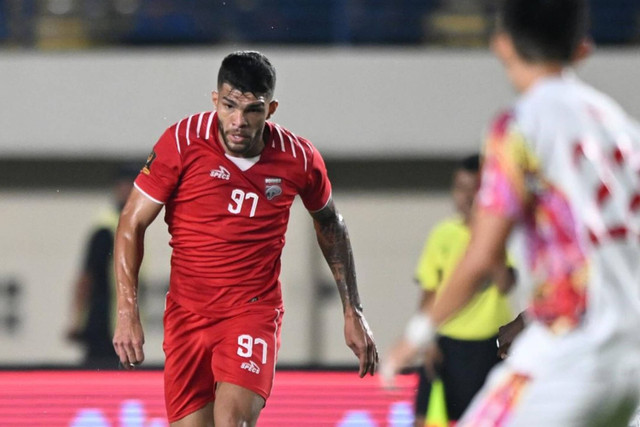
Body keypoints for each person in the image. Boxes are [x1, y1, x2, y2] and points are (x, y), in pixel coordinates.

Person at [383, 0, 640, 425]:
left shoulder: (520, 126)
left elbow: (483, 255)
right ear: (582, 48)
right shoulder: (625, 132)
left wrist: (416, 334)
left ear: (502, 45)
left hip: (571, 355)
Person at [112, 51, 378, 426]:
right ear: (215, 100)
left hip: (251, 312)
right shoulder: (183, 142)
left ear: (271, 109)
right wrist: (127, 313)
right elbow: (130, 223)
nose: (238, 121)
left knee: (232, 421)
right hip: (187, 315)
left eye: (252, 109)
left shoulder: (297, 158)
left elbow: (331, 223)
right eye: (229, 105)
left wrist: (353, 310)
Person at [385, 154, 515, 426]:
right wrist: (426, 340)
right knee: (425, 418)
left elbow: (505, 284)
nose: (467, 197)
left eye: (475, 189)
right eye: (460, 188)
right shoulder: (442, 235)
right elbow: (429, 293)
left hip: (491, 345)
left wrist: (489, 239)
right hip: (446, 344)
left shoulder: (504, 235)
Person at [66, 165, 139, 368]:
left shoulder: (131, 226)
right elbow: (86, 277)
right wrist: (77, 320)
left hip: (120, 320)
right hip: (103, 321)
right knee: (101, 373)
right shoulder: (106, 229)